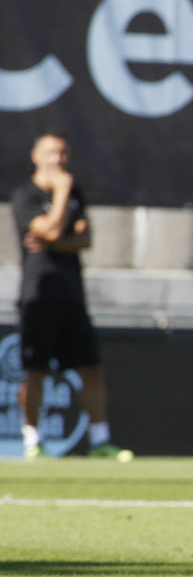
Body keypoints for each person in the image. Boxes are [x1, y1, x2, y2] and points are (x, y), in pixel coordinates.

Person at [12, 131, 133, 462]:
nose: (59, 160)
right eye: (52, 153)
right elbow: (49, 228)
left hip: (72, 293)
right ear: (36, 156)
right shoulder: (25, 195)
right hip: (38, 292)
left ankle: (100, 440)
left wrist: (53, 240)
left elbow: (84, 238)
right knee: (35, 370)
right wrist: (61, 195)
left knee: (90, 367)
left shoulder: (76, 192)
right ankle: (32, 440)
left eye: (63, 154)